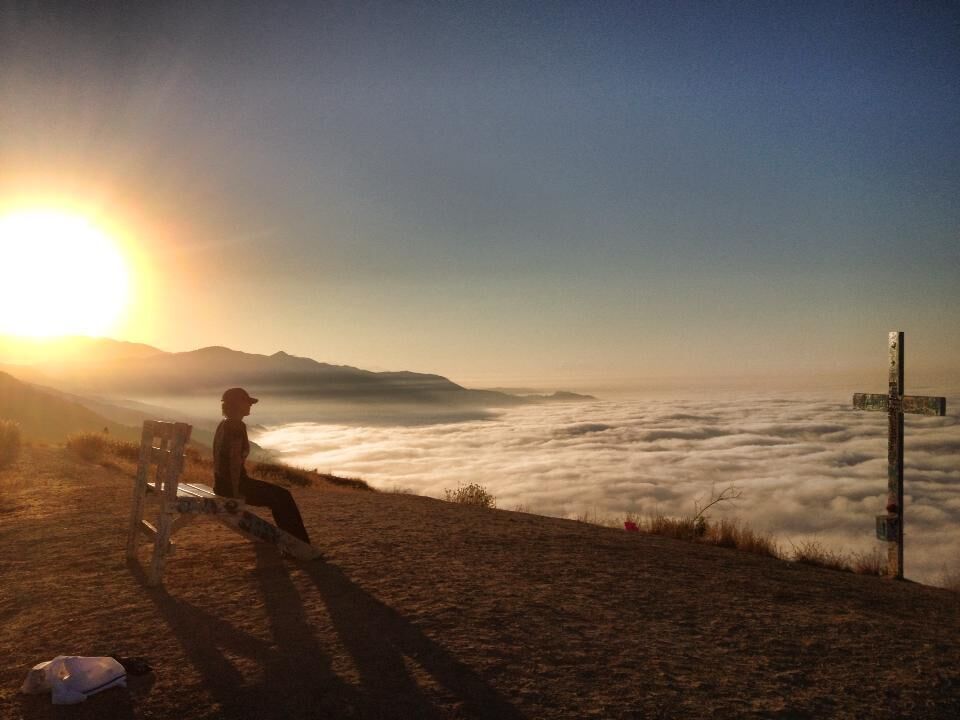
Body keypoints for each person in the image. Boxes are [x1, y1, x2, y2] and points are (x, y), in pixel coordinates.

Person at [213, 387, 311, 544]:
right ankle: (298, 544)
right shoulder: (236, 426)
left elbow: (221, 459)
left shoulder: (224, 424)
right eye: (247, 402)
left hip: (222, 484)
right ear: (237, 404)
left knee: (280, 496)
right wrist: (235, 490)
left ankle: (295, 542)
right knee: (283, 497)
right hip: (233, 485)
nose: (250, 405)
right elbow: (233, 460)